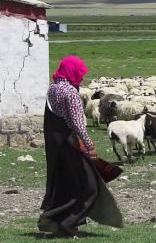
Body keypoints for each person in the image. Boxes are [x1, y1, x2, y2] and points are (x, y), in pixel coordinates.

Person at [38, 55, 123, 236]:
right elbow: (76, 122)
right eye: (80, 73)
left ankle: (60, 221)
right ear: (72, 71)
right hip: (69, 144)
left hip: (56, 145)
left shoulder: (52, 89)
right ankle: (67, 222)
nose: (82, 77)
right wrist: (89, 142)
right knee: (90, 185)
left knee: (66, 183)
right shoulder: (70, 91)